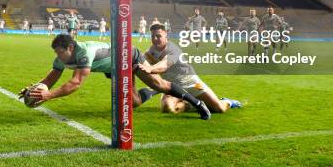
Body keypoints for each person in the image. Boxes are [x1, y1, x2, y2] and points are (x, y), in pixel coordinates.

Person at [19, 34, 212, 120]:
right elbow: (50, 78)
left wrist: (48, 96)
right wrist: (36, 89)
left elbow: (76, 83)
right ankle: (152, 91)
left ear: (70, 48)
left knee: (161, 84)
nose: (58, 57)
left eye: (60, 52)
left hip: (129, 57)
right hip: (114, 69)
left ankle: (198, 104)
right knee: (134, 103)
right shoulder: (63, 56)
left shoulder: (83, 52)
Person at [138, 24, 242, 115]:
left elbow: (164, 65)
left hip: (190, 82)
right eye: (153, 36)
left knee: (219, 108)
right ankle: (191, 104)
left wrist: (150, 68)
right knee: (167, 109)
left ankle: (228, 102)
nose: (155, 39)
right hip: (171, 87)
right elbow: (140, 62)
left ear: (166, 35)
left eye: (158, 36)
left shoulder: (173, 49)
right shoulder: (150, 51)